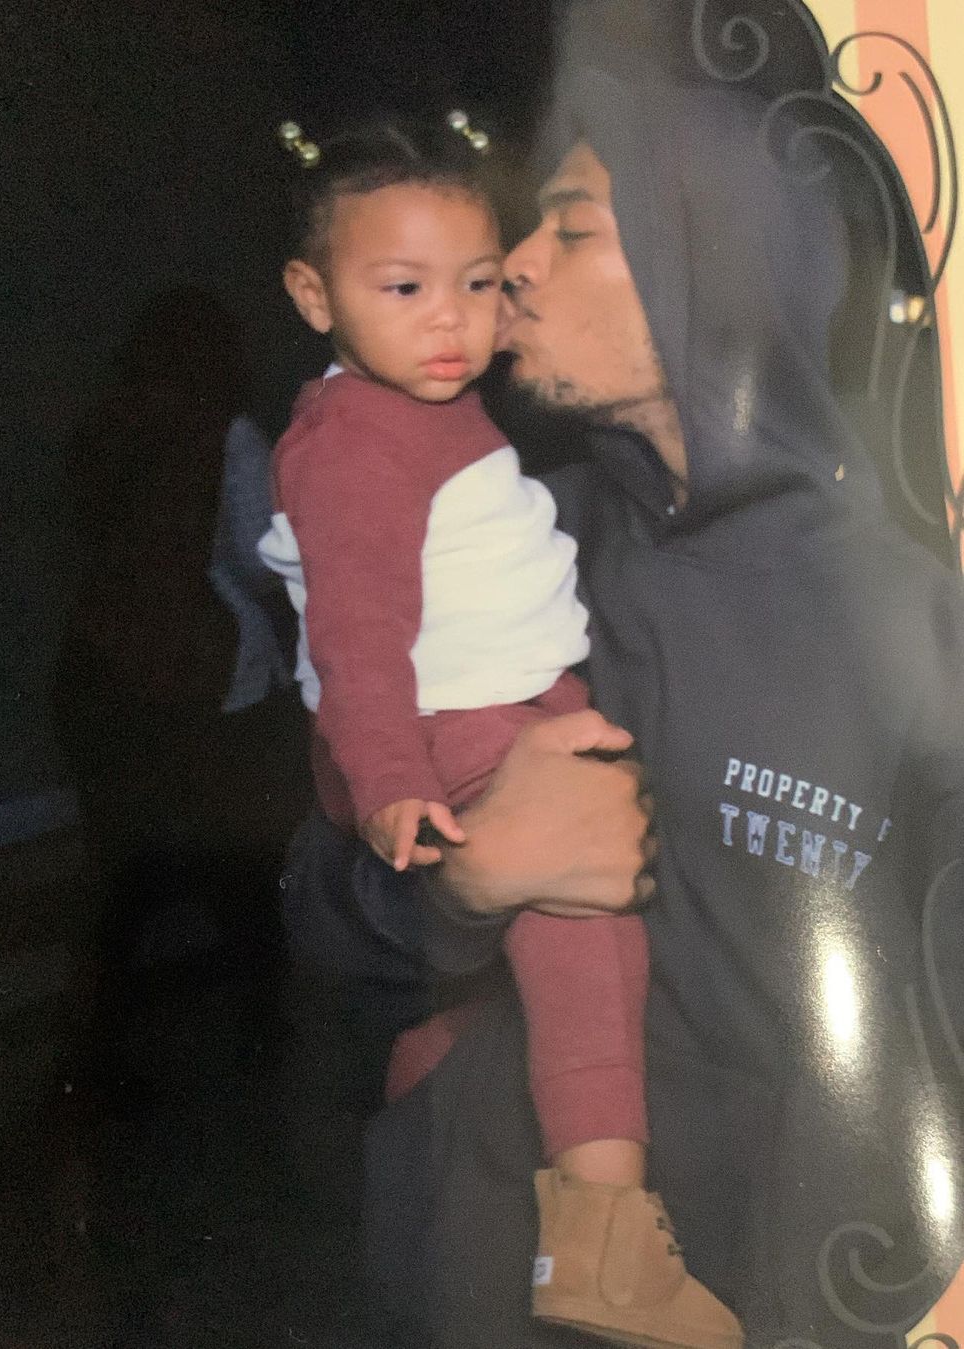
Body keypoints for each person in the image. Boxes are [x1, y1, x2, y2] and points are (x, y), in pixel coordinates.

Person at [278, 9, 964, 1349]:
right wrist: (465, 883)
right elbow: (316, 909)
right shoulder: (518, 542)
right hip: (482, 1274)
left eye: (574, 229)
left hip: (768, 1300)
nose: (514, 267)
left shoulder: (911, 621)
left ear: (717, 262)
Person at [258, 118, 736, 1348]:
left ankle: (451, 1065)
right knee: (584, 926)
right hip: (453, 721)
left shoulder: (459, 426)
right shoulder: (355, 440)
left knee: (574, 930)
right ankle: (604, 1235)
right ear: (313, 296)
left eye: (478, 281)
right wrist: (403, 802)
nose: (466, 312)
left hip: (498, 711)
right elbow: (357, 638)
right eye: (406, 288)